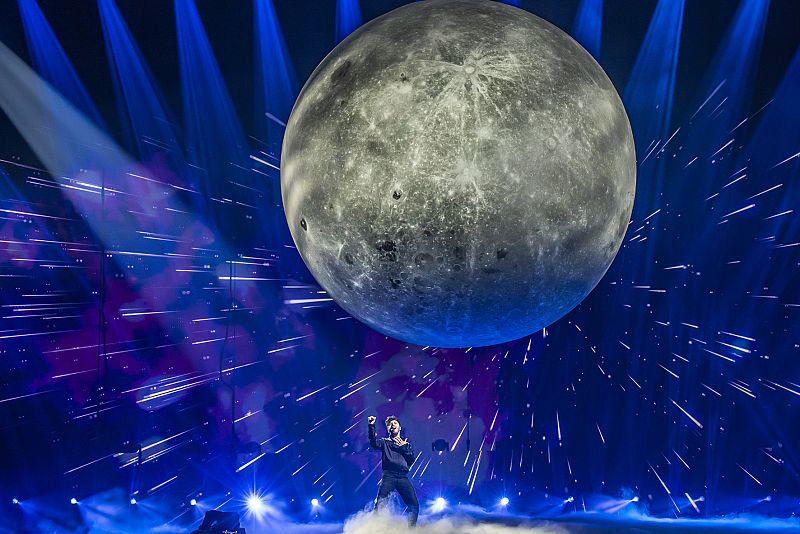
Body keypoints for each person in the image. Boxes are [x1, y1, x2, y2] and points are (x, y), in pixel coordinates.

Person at [368, 414, 420, 526]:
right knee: (380, 505)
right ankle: (374, 529)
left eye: (395, 423)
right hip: (389, 477)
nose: (392, 425)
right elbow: (373, 443)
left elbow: (411, 460)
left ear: (399, 427)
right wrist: (371, 425)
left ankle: (411, 530)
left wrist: (404, 448)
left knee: (414, 505)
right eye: (390, 424)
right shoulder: (385, 442)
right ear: (388, 429)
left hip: (403, 477)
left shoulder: (406, 444)